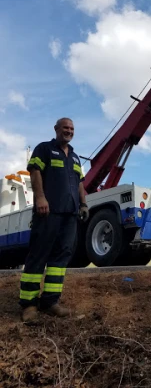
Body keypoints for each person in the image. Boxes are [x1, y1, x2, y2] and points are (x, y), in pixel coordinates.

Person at [19, 117, 89, 323]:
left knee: (61, 258)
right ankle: (29, 304)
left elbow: (80, 183)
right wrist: (40, 197)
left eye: (72, 128)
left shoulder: (75, 158)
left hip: (70, 214)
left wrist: (83, 204)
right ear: (56, 129)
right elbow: (35, 171)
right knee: (39, 255)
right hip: (48, 212)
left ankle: (50, 302)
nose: (69, 131)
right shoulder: (44, 149)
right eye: (65, 128)